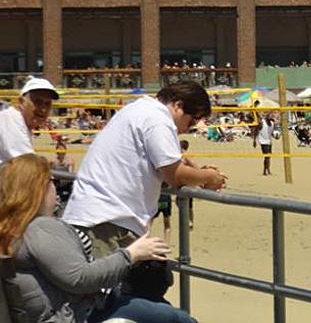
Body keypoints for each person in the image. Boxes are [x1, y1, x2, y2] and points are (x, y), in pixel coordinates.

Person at [0, 154, 184, 323]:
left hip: (54, 312)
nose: (54, 186)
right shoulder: (40, 228)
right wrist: (132, 254)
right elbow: (81, 279)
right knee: (176, 317)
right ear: (38, 189)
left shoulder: (13, 229)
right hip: (77, 314)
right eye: (51, 181)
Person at [62, 81, 227, 259]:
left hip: (98, 215)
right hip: (107, 221)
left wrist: (198, 176)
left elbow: (161, 171)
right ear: (178, 106)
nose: (189, 128)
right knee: (106, 282)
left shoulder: (138, 109)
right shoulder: (158, 119)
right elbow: (175, 175)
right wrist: (209, 177)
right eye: (192, 120)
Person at [0, 76, 59, 164]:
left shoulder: (17, 121)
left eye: (47, 103)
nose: (43, 109)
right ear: (21, 102)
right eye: (37, 102)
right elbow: (27, 167)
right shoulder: (12, 120)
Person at [50, 141, 75, 209]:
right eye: (59, 149)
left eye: (62, 149)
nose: (61, 151)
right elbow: (50, 173)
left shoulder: (69, 161)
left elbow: (70, 174)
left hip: (66, 183)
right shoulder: (53, 161)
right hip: (56, 182)